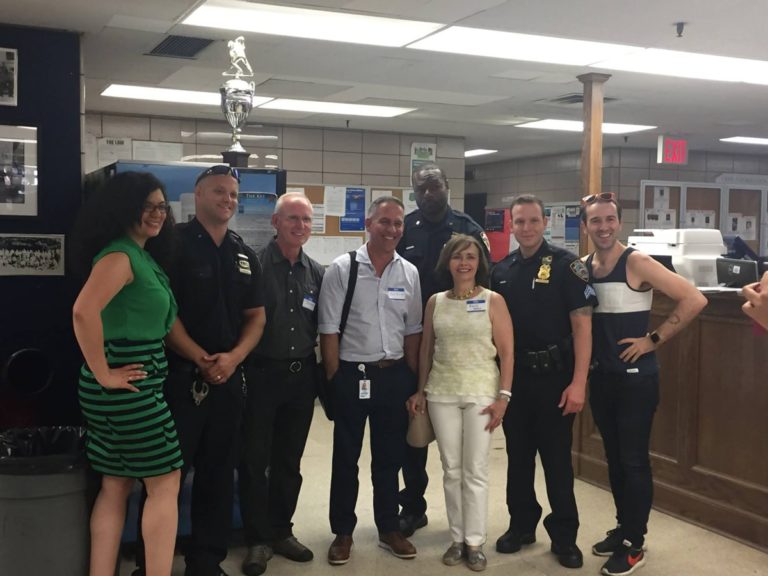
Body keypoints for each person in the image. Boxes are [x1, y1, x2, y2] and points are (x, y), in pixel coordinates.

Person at [135, 165, 266, 576]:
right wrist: (198, 357)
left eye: (232, 194)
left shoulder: (243, 254)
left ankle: (207, 562)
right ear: (197, 196)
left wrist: (233, 359)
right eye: (218, 192)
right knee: (164, 478)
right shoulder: (170, 246)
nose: (227, 200)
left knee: (217, 473)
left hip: (228, 379)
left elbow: (257, 316)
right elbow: (163, 314)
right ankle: (150, 563)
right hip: (178, 379)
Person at [581, 192, 707, 576]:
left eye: (609, 220)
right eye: (595, 221)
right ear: (585, 226)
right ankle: (623, 528)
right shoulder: (585, 265)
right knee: (615, 458)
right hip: (602, 378)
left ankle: (636, 544)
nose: (603, 227)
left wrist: (652, 340)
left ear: (619, 222)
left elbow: (694, 299)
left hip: (636, 381)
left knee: (634, 460)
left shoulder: (636, 261)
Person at [72, 171, 182, 576]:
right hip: (130, 384)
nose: (156, 214)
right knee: (165, 480)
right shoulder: (120, 255)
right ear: (123, 208)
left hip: (124, 383)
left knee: (115, 484)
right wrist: (104, 373)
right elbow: (84, 311)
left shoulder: (137, 254)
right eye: (147, 206)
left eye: (161, 206)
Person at [490, 194, 597, 569]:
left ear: (545, 222)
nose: (527, 228)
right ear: (512, 225)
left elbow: (583, 327)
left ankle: (564, 535)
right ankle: (521, 525)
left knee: (556, 463)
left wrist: (579, 382)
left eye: (533, 221)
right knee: (518, 459)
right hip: (516, 380)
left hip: (556, 379)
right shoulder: (502, 270)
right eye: (519, 222)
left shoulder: (567, 266)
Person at [318, 196, 422, 565]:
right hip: (351, 374)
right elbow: (328, 330)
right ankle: (342, 533)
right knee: (346, 457)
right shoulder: (342, 269)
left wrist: (413, 379)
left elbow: (412, 331)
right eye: (384, 222)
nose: (392, 229)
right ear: (368, 223)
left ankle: (388, 528)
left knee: (388, 459)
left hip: (393, 376)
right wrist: (334, 379)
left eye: (398, 223)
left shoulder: (409, 273)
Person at [407, 234, 513, 571]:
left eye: (470, 256)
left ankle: (475, 541)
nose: (464, 263)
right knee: (452, 470)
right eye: (457, 257)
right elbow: (426, 349)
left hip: (482, 392)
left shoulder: (493, 300)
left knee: (476, 470)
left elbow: (508, 353)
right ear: (447, 262)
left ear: (479, 262)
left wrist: (504, 397)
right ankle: (456, 538)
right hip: (442, 393)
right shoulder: (435, 301)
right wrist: (421, 389)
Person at [396, 162, 489, 537]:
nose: (428, 194)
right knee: (415, 433)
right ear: (414, 192)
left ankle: (468, 520)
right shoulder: (406, 229)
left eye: (434, 187)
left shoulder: (469, 229)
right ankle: (413, 507)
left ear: (448, 187)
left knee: (465, 448)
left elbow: (486, 285)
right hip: (416, 342)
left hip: (460, 350)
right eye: (421, 189)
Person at [239, 193, 324, 576]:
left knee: (289, 461)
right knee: (256, 461)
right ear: (276, 223)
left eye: (306, 220)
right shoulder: (253, 265)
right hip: (259, 375)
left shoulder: (316, 272)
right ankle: (256, 539)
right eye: (293, 219)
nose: (300, 226)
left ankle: (281, 531)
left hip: (301, 376)